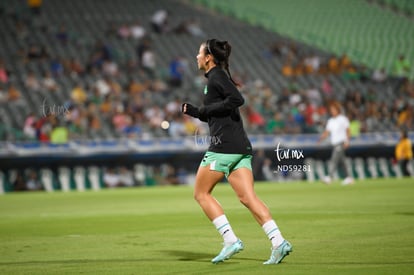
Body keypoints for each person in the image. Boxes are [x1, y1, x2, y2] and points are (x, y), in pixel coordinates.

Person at [181, 39, 292, 265]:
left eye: (199, 53)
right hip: (240, 147)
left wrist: (204, 109)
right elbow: (216, 112)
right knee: (247, 198)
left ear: (208, 57)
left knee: (201, 194)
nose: (196, 57)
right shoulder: (215, 79)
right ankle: (278, 242)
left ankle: (230, 240)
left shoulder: (217, 77)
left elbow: (237, 99)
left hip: (224, 147)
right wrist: (195, 112)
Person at [318, 101, 354, 185]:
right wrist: (321, 139)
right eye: (331, 110)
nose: (332, 111)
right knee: (342, 161)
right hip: (334, 143)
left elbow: (348, 130)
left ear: (338, 110)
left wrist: (347, 141)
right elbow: (327, 132)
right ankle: (348, 178)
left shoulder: (343, 119)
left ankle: (329, 177)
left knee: (334, 159)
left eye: (334, 109)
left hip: (341, 142)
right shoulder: (330, 121)